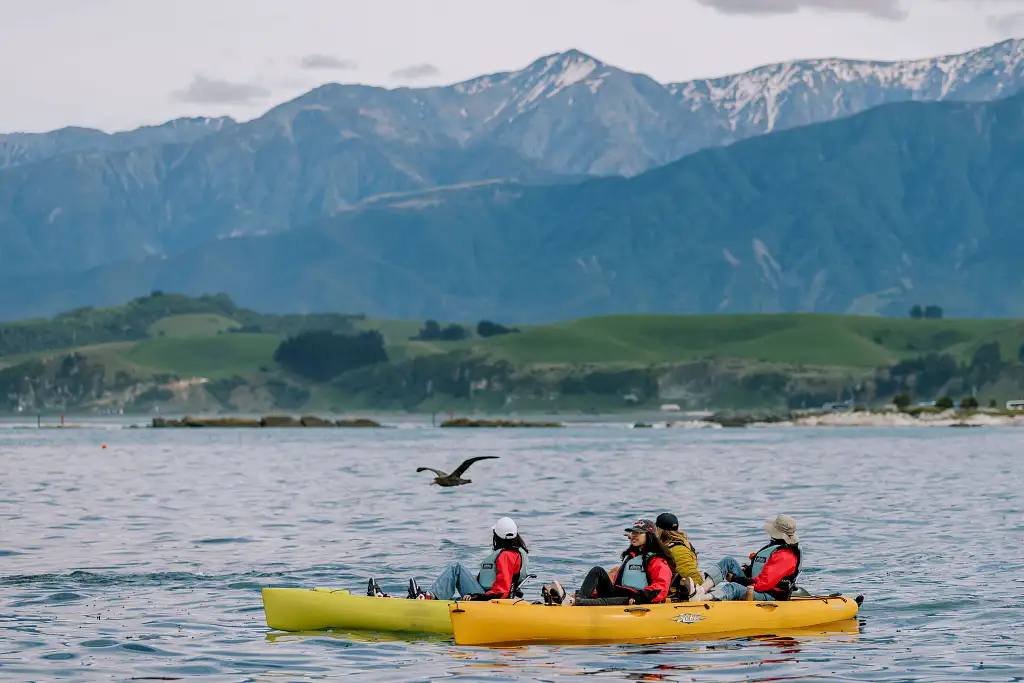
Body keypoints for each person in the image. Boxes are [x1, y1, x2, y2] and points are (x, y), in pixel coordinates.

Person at [368, 517, 529, 600]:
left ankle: (427, 597)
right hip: (485, 598)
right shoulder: (509, 554)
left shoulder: (506, 556)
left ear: (497, 536)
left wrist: (475, 597)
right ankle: (420, 598)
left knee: (456, 568)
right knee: (450, 598)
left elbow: (501, 592)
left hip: (489, 601)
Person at [545, 519, 674, 606]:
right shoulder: (631, 557)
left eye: (639, 533)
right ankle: (577, 598)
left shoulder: (657, 560)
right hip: (618, 593)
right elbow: (616, 582)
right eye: (633, 532)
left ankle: (574, 602)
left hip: (635, 598)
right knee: (597, 571)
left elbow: (660, 587)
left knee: (604, 601)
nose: (634, 535)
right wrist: (591, 593)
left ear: (649, 536)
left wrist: (640, 597)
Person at [682, 514, 802, 602]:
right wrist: (745, 571)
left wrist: (736, 579)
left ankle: (702, 598)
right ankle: (700, 590)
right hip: (757, 585)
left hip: (770, 594)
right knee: (728, 561)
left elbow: (763, 584)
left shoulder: (786, 555)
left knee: (734, 587)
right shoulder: (776, 546)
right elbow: (758, 571)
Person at [654, 512, 702, 601]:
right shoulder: (665, 545)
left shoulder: (677, 549)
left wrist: (698, 589)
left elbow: (691, 574)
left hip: (677, 594)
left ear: (660, 530)